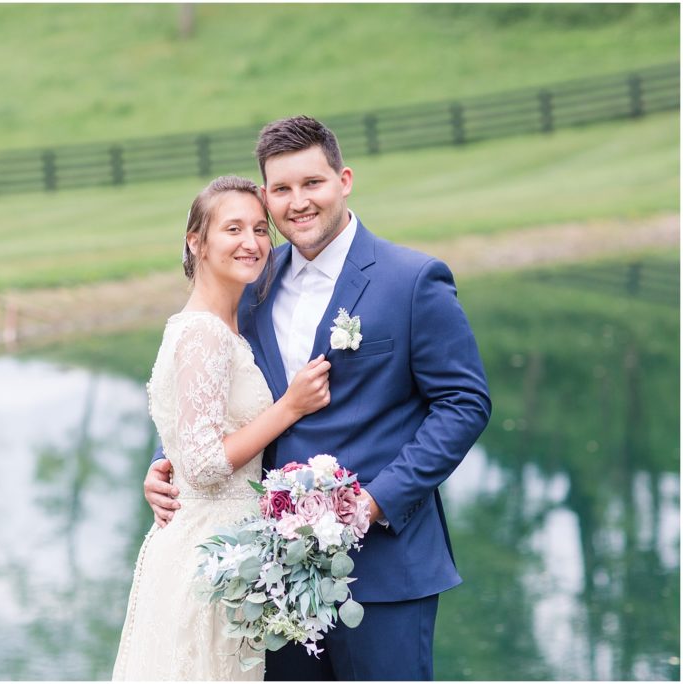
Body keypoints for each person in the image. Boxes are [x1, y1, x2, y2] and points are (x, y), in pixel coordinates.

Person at [144, 116, 492, 680]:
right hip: (267, 577)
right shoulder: (251, 281)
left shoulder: (411, 279)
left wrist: (375, 502)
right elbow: (206, 385)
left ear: (344, 180)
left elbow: (464, 403)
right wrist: (165, 462)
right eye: (281, 189)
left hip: (384, 571)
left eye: (312, 183)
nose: (298, 202)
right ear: (266, 197)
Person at [112, 175, 334, 680]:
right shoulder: (204, 334)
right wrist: (290, 407)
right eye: (233, 229)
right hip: (208, 553)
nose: (251, 242)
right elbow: (203, 464)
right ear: (196, 242)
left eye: (259, 229)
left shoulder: (224, 325)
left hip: (224, 549)